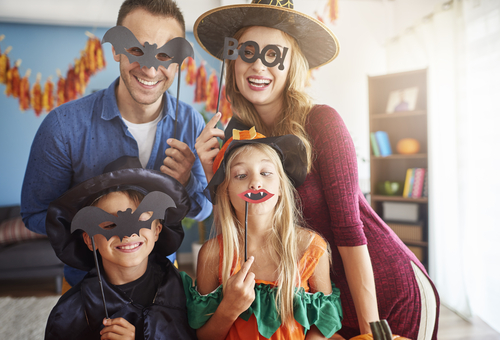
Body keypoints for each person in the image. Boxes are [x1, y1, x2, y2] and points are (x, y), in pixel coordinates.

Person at [193, 1, 439, 339]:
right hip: (316, 303)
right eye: (248, 52)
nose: (258, 66)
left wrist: (372, 330)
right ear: (233, 61)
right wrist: (213, 177)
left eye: (273, 54)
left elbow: (349, 229)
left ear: (291, 62)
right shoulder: (237, 138)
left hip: (381, 294)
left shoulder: (321, 122)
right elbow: (243, 230)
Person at [21, 0, 211, 288]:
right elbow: (35, 214)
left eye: (163, 54)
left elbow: (204, 210)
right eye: (137, 50)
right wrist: (97, 218)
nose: (149, 69)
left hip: (164, 289)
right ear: (115, 49)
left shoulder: (191, 124)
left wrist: (185, 183)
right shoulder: (62, 127)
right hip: (89, 288)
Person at [183, 128, 343, 339]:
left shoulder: (310, 249)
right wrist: (229, 308)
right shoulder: (212, 255)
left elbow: (322, 328)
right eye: (241, 175)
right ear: (226, 190)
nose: (255, 183)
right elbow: (204, 336)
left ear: (280, 185)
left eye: (266, 173)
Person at [44, 156, 197, 340]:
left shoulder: (185, 294)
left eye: (141, 220)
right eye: (110, 225)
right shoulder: (70, 314)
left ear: (157, 230)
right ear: (89, 239)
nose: (128, 235)